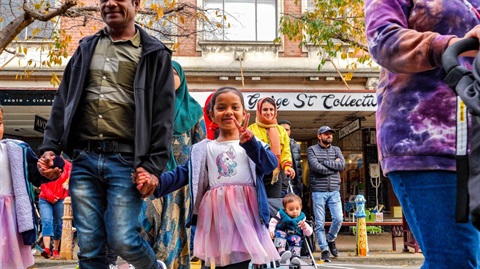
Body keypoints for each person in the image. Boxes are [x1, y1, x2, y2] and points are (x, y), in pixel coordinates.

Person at [36, 0, 175, 266]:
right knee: (89, 248)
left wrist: (153, 167)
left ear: (135, 4)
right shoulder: (86, 48)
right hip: (84, 160)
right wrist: (50, 147)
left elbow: (163, 116)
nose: (110, 3)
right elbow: (63, 100)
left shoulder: (155, 53)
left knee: (123, 238)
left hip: (126, 163)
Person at [365, 1, 480, 267]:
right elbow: (383, 39)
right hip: (427, 145)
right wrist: (452, 45)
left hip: (475, 139)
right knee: (455, 260)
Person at [136, 87, 281, 269]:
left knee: (241, 262)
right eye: (221, 108)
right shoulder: (203, 149)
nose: (229, 111)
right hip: (216, 216)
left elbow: (269, 166)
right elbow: (181, 174)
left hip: (246, 215)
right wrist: (155, 184)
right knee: (217, 262)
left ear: (244, 114)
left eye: (235, 107)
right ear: (211, 115)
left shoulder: (254, 143)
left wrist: (251, 144)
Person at [141, 60, 206, 269]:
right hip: (151, 177)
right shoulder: (147, 107)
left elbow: (201, 146)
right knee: (147, 222)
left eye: (173, 74)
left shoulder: (194, 110)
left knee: (176, 227)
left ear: (181, 78)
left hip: (181, 182)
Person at [0, 105, 63, 268]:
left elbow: (38, 171)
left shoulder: (15, 151)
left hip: (9, 223)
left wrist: (50, 167)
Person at [307, 126, 345, 262]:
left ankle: (331, 239)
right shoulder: (312, 150)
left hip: (334, 190)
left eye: (330, 134)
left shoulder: (336, 150)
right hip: (318, 191)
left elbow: (342, 165)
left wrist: (324, 163)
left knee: (339, 218)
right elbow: (315, 167)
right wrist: (333, 167)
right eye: (326, 134)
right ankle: (324, 249)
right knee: (319, 223)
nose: (329, 136)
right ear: (319, 136)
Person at [248, 97, 295, 198]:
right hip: (256, 175)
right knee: (257, 207)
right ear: (259, 111)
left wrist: (287, 167)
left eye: (271, 109)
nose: (268, 112)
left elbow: (286, 152)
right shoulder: (251, 129)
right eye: (265, 109)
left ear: (275, 111)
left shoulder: (281, 130)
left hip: (275, 175)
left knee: (273, 206)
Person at [39, 158, 72, 259]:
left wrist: (56, 196)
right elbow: (41, 182)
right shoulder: (44, 162)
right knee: (46, 220)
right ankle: (47, 249)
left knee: (58, 223)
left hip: (60, 198)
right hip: (45, 198)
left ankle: (56, 249)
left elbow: (66, 183)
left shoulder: (69, 166)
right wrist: (51, 197)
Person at [268, 193, 313, 265]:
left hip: (294, 236)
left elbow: (309, 233)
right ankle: (282, 252)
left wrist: (304, 227)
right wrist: (271, 231)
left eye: (297, 209)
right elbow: (273, 222)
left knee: (297, 239)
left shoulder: (302, 219)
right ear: (285, 209)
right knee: (280, 233)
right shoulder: (281, 215)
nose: (295, 211)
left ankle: (295, 256)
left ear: (301, 208)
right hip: (282, 234)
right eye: (291, 209)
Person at [278, 120, 303, 197]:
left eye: (287, 130)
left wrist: (300, 185)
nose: (285, 132)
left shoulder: (296, 145)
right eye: (282, 129)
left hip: (294, 184)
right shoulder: (273, 144)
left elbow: (298, 166)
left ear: (290, 132)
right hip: (279, 184)